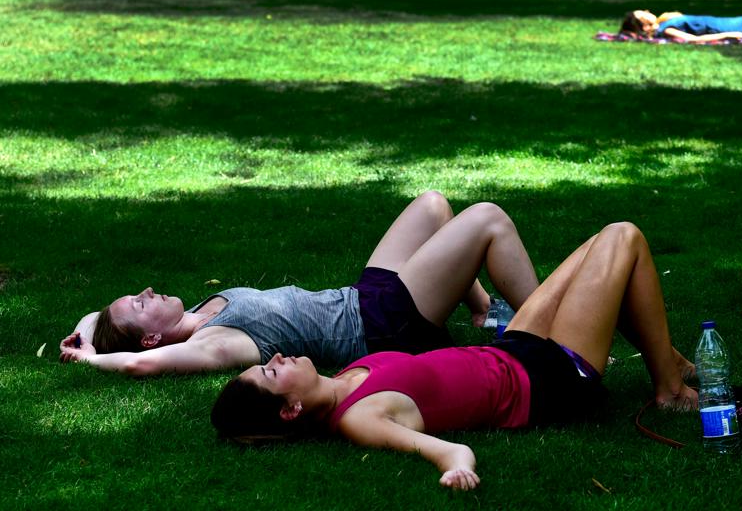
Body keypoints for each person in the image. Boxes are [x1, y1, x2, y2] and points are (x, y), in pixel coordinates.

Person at [211, 222, 698, 490]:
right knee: (622, 237)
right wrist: (457, 467)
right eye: (271, 372)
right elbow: (443, 450)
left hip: (514, 350)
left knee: (599, 247)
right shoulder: (360, 418)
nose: (276, 357)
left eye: (267, 361)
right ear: (291, 408)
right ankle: (670, 389)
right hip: (550, 378)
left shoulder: (344, 379)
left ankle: (667, 361)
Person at [58, 192, 540, 376]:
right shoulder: (216, 343)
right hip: (383, 324)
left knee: (433, 205)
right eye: (140, 307)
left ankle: (481, 310)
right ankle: (547, 335)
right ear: (150, 338)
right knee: (487, 219)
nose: (146, 292)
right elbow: (140, 366)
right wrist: (95, 358)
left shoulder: (197, 311)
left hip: (360, 296)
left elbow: (105, 323)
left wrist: (84, 333)